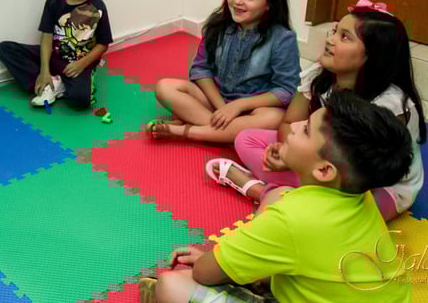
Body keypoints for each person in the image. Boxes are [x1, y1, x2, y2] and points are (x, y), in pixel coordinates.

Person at [139, 90, 413, 303]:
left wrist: (211, 260)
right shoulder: (358, 195)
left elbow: (203, 273)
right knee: (278, 195)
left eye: (305, 130)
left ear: (324, 170)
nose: (294, 126)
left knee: (171, 285)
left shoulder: (290, 218)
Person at [209, 0, 425, 221]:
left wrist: (302, 165)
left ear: (373, 56)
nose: (330, 40)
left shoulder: (389, 105)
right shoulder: (320, 76)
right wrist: (287, 154)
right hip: (322, 164)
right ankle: (290, 196)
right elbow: (288, 123)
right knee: (246, 139)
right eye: (334, 31)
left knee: (345, 218)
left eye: (344, 37)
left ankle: (263, 191)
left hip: (371, 184)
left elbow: (371, 172)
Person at [148, 0, 300, 142]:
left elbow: (285, 90)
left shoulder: (282, 39)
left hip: (251, 109)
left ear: (269, 4)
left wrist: (239, 105)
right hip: (214, 101)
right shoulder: (218, 25)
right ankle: (226, 135)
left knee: (274, 118)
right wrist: (222, 107)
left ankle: (188, 131)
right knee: (165, 87)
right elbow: (200, 69)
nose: (237, 1)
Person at [0, 0, 112, 108]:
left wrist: (82, 64)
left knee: (81, 101)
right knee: (6, 49)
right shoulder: (53, 1)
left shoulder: (98, 7)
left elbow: (103, 44)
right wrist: (44, 71)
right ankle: (48, 83)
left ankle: (57, 85)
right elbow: (46, 36)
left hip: (78, 63)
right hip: (54, 56)